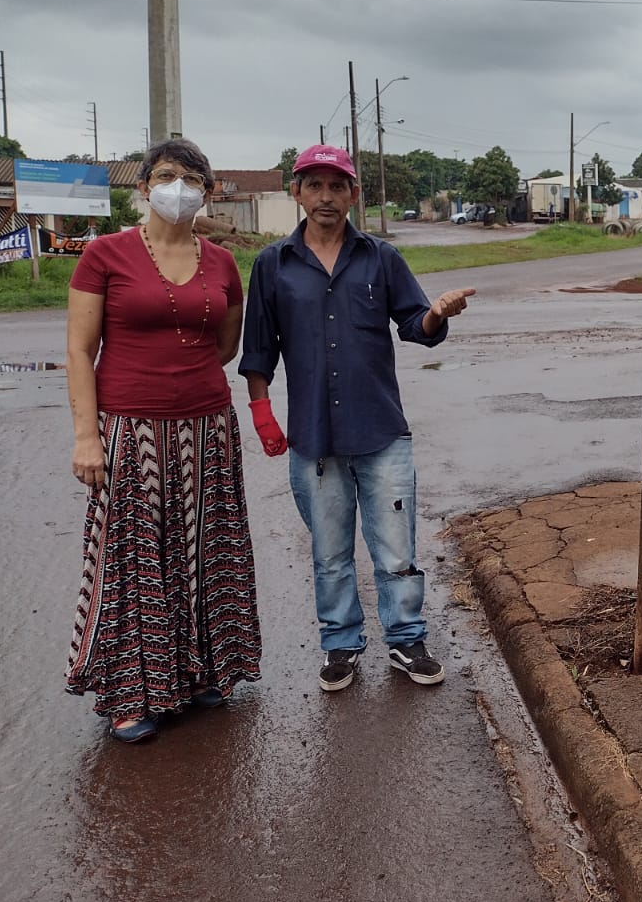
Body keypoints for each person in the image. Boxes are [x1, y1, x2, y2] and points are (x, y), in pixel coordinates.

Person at [239, 144, 475, 692]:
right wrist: (262, 414)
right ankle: (340, 645)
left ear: (354, 194)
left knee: (395, 546)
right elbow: (258, 351)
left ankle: (406, 639)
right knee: (329, 552)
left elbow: (415, 324)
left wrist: (436, 313)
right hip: (313, 437)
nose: (326, 197)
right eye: (314, 185)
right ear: (295, 192)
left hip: (381, 430)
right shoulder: (273, 265)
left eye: (337, 186)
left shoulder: (380, 258)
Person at [64, 139, 262, 743]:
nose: (179, 186)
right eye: (167, 175)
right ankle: (133, 693)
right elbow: (79, 349)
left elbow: (225, 345)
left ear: (208, 190)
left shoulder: (222, 262)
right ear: (145, 186)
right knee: (136, 559)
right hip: (132, 428)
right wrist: (86, 437)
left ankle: (204, 673)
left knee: (208, 552)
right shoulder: (105, 254)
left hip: (207, 426)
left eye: (192, 177)